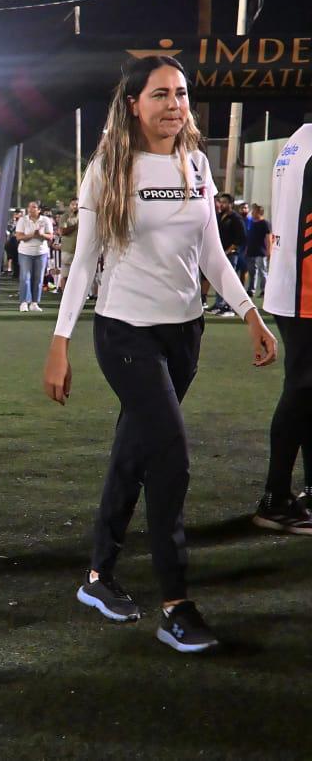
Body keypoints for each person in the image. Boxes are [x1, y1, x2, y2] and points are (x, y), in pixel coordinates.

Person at [42, 55, 276, 654]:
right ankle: (176, 604)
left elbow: (210, 253)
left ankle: (98, 577)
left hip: (185, 334)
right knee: (169, 454)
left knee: (134, 452)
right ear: (133, 104)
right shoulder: (108, 169)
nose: (174, 105)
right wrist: (59, 342)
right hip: (125, 334)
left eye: (180, 94)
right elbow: (82, 264)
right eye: (160, 95)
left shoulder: (195, 162)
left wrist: (249, 313)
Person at [252, 123, 312, 534]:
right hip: (304, 289)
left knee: (306, 390)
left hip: (291, 285)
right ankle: (275, 497)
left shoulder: (298, 138)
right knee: (302, 389)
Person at [209, 193, 246, 316]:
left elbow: (240, 238)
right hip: (220, 254)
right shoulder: (219, 216)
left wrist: (228, 250)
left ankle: (230, 307)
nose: (221, 204)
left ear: (230, 204)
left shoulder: (236, 218)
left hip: (231, 254)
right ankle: (219, 304)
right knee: (219, 280)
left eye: (224, 202)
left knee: (229, 281)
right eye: (221, 202)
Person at [15, 201, 54, 312]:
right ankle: (24, 302)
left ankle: (34, 303)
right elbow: (18, 237)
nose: (31, 209)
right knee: (25, 277)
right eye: (29, 207)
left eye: (34, 207)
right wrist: (32, 234)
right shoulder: (23, 220)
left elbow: (50, 236)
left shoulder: (45, 220)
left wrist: (41, 235)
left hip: (41, 253)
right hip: (25, 252)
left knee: (38, 279)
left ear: (39, 210)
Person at [245, 203, 270, 298]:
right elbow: (249, 237)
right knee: (252, 272)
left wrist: (268, 251)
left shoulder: (265, 223)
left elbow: (268, 238)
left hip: (261, 251)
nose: (252, 212)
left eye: (254, 210)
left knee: (262, 271)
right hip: (251, 251)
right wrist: (247, 249)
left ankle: (264, 290)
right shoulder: (252, 223)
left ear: (259, 212)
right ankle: (251, 289)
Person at [58, 198, 80, 291]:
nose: (75, 206)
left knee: (78, 276)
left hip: (80, 250)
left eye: (77, 204)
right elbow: (62, 231)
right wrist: (75, 226)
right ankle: (64, 296)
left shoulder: (83, 216)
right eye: (73, 204)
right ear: (70, 205)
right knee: (65, 275)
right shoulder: (65, 217)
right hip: (67, 250)